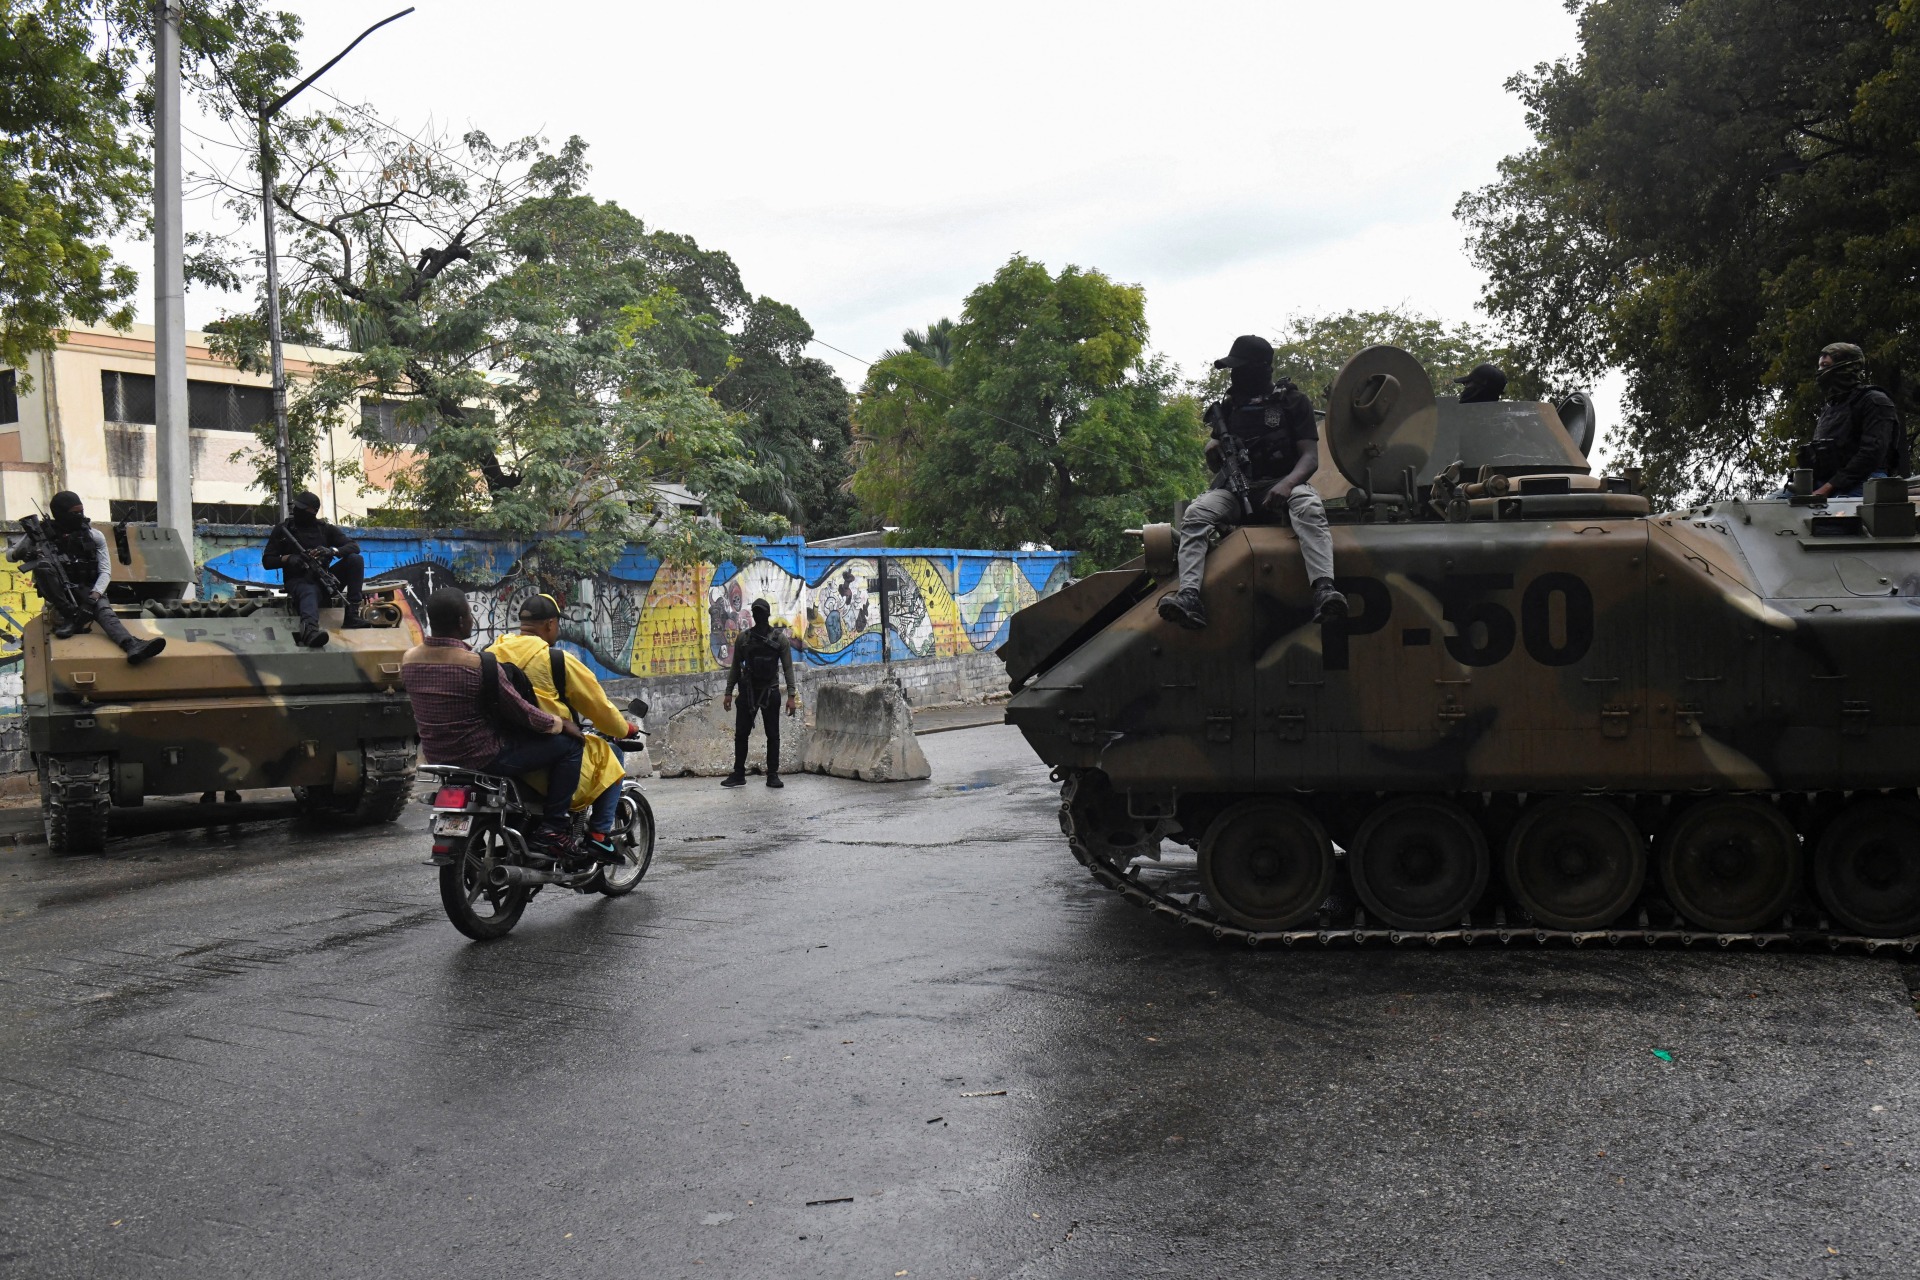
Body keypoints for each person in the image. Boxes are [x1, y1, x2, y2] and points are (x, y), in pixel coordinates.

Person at [1158, 335, 1345, 630]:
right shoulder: (1230, 408)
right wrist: (1213, 452)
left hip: (1285, 484)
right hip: (1236, 489)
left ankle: (1324, 588)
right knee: (1196, 514)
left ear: (1261, 369)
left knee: (1309, 507)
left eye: (1240, 368)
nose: (1234, 375)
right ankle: (1189, 595)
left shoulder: (1293, 402)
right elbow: (1216, 462)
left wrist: (1285, 485)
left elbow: (1310, 458)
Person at [400, 586, 595, 860]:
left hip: (438, 757)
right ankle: (553, 828)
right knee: (568, 746)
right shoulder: (479, 665)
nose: (471, 620)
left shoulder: (409, 661)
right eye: (469, 615)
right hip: (484, 757)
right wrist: (561, 724)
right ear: (460, 622)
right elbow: (524, 712)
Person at [488, 593, 638, 860]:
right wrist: (624, 729)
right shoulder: (556, 660)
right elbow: (599, 707)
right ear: (549, 624)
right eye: (557, 624)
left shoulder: (490, 653)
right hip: (547, 755)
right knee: (611, 755)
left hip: (502, 750)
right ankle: (599, 836)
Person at [6, 491, 165, 664]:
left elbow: (105, 571)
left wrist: (93, 598)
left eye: (81, 511)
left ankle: (131, 644)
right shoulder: (41, 535)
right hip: (61, 596)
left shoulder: (93, 535)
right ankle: (71, 616)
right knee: (43, 568)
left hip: (89, 588)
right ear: (60, 514)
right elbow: (10, 556)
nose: (80, 516)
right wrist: (25, 553)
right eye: (74, 513)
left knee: (105, 613)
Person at [262, 491, 366, 648]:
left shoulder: (325, 529)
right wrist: (288, 559)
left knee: (355, 560)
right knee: (309, 591)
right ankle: (310, 631)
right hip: (298, 581)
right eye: (296, 508)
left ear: (313, 511)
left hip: (325, 579)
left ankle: (352, 615)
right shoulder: (284, 530)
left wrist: (331, 551)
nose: (297, 512)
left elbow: (354, 547)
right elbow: (267, 561)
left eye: (302, 509)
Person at [1804, 343, 1907, 500]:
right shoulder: (1831, 407)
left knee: (1830, 520)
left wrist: (1829, 487)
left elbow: (1871, 455)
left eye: (1825, 366)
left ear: (1846, 367)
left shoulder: (1874, 401)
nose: (1820, 372)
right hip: (1827, 481)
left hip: (1866, 481)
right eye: (1819, 366)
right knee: (1770, 506)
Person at [721, 597, 797, 788]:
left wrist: (792, 696)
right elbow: (735, 668)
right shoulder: (743, 639)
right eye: (756, 612)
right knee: (741, 734)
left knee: (773, 735)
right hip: (748, 693)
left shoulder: (779, 639)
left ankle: (772, 774)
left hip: (770, 692)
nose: (758, 615)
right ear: (753, 615)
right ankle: (738, 773)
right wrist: (729, 692)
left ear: (767, 615)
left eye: (761, 612)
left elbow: (788, 668)